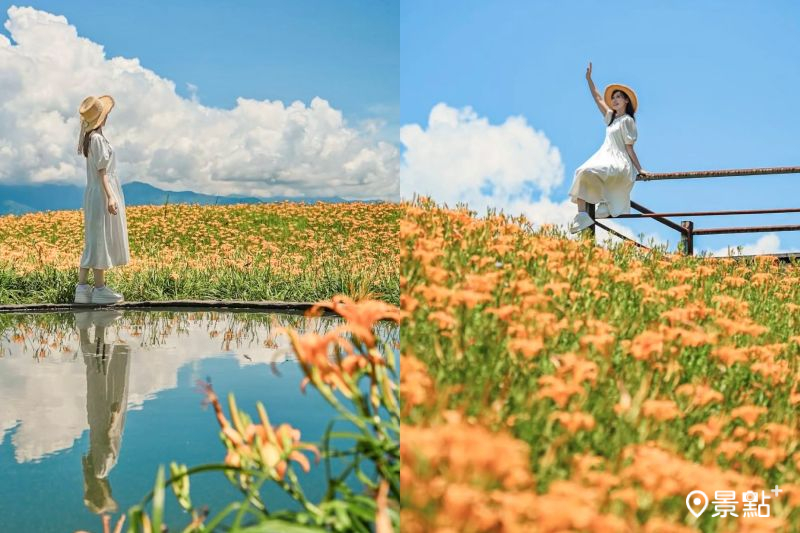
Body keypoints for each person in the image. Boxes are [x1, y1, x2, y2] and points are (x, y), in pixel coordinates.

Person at [568, 62, 647, 234]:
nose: (615, 100)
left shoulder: (627, 121)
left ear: (626, 100)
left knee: (589, 170)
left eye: (619, 97)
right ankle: (582, 215)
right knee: (581, 172)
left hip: (619, 160)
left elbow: (629, 148)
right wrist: (589, 80)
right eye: (613, 97)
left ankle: (604, 203)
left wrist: (640, 169)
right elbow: (597, 98)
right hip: (605, 156)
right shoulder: (611, 118)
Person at [74, 96, 130, 304]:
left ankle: (82, 288)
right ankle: (99, 289)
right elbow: (102, 172)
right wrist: (110, 196)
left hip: (94, 192)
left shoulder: (91, 137)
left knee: (94, 238)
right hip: (101, 192)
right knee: (99, 238)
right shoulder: (96, 139)